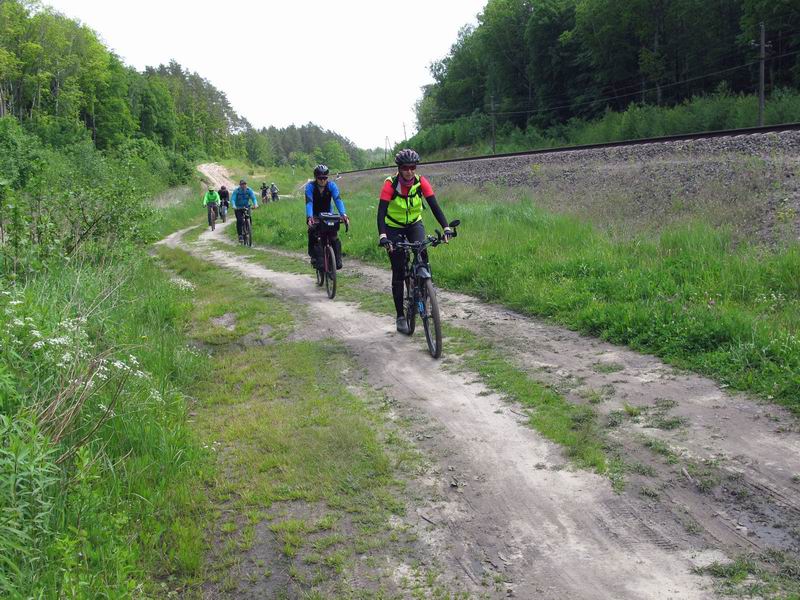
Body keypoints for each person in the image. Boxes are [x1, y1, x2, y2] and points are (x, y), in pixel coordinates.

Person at [377, 149, 452, 334]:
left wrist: (446, 227)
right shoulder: (390, 184)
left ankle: (424, 288)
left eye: (412, 167)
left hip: (414, 224)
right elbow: (380, 213)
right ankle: (400, 316)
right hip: (393, 226)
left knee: (422, 251)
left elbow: (435, 206)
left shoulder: (421, 182)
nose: (409, 171)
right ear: (399, 168)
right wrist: (383, 236)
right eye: (405, 168)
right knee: (398, 270)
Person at [305, 164, 349, 269]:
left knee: (334, 237)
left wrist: (343, 214)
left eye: (325, 178)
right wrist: (310, 217)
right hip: (315, 214)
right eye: (320, 178)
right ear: (316, 178)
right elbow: (309, 203)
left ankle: (337, 260)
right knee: (313, 232)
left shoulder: (332, 186)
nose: (323, 180)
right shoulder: (310, 187)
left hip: (328, 214)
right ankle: (314, 257)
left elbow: (338, 200)